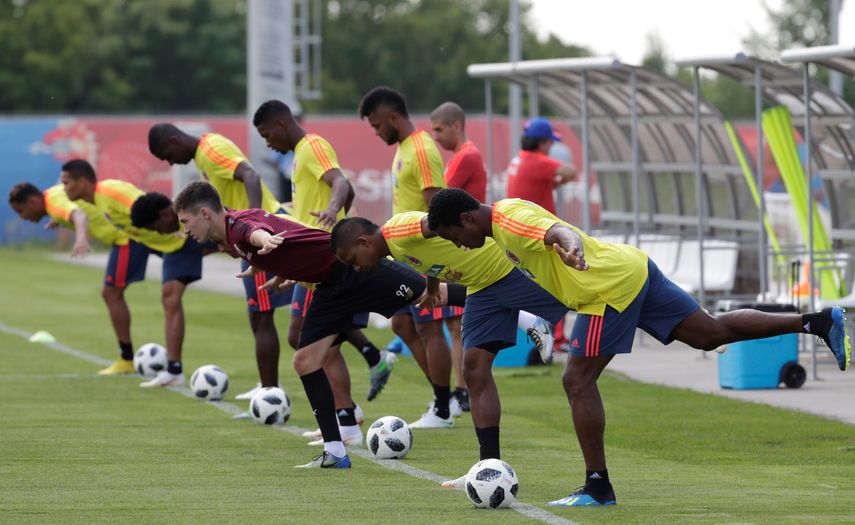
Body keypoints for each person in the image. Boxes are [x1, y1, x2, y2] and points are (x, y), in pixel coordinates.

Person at [426, 188, 852, 507]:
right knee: (710, 333)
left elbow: (556, 231)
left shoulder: (508, 220)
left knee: (576, 380)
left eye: (454, 236)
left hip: (606, 290)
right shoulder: (505, 214)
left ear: (466, 218)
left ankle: (597, 486)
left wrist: (570, 247)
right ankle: (815, 321)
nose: (459, 246)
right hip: (631, 266)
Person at [172, 181, 465, 468]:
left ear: (205, 214)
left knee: (437, 294)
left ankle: (501, 297)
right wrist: (275, 268)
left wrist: (265, 242)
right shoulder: (232, 227)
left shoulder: (238, 229)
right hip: (330, 287)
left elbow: (257, 233)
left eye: (186, 221)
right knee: (305, 360)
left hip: (352, 268)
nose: (186, 229)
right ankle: (335, 450)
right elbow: (274, 236)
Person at [330, 213, 562, 465]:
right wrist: (431, 289)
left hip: (499, 271)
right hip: (479, 285)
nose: (356, 267)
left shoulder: (399, 230)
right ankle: (488, 466)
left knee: (577, 300)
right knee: (473, 369)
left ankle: (529, 319)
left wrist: (473, 234)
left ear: (363, 242)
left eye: (353, 260)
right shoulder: (393, 249)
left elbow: (440, 221)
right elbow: (429, 260)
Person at [252, 99, 395, 443]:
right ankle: (354, 399)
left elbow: (342, 184)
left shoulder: (313, 145)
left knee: (312, 339)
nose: (267, 142)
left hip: (328, 259)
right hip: (314, 258)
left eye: (267, 134)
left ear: (282, 124)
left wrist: (333, 214)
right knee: (309, 339)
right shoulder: (299, 154)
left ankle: (347, 417)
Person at [147, 124, 291, 400]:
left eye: (166, 154)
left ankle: (271, 392)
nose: (169, 162)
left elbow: (250, 175)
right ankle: (268, 387)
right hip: (249, 235)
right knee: (259, 314)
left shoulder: (211, 150)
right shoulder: (204, 156)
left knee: (268, 315)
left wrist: (254, 220)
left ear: (174, 140)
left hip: (262, 235)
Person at [359, 86, 461, 428]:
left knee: (429, 327)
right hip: (404, 254)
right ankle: (440, 397)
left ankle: (443, 409)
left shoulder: (421, 149)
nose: (375, 132)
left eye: (376, 124)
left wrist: (432, 267)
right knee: (402, 323)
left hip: (422, 255)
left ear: (392, 117)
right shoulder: (404, 148)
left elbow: (437, 207)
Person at [59, 160, 209, 386]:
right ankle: (173, 370)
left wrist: (182, 227)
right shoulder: (93, 201)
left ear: (82, 182)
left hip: (181, 238)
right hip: (165, 245)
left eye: (66, 183)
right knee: (168, 298)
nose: (64, 188)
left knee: (238, 243)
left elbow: (157, 208)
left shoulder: (112, 193)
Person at [430, 101, 490, 410]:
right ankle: (460, 391)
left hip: (464, 247)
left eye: (439, 129)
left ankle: (460, 392)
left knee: (455, 324)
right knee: (454, 324)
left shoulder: (467, 156)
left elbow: (441, 202)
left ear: (456, 125)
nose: (435, 137)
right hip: (464, 243)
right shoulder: (464, 155)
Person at [8, 181, 122, 259]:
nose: (22, 217)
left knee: (111, 293)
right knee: (110, 293)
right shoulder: (52, 194)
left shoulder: (54, 204)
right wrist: (58, 219)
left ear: (32, 202)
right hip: (124, 231)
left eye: (20, 211)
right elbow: (74, 204)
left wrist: (81, 238)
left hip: (127, 235)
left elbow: (79, 214)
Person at [505, 117, 577, 214]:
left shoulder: (519, 157)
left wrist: (555, 182)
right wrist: (561, 181)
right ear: (541, 143)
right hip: (534, 224)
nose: (552, 145)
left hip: (519, 221)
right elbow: (571, 172)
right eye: (551, 141)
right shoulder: (537, 161)